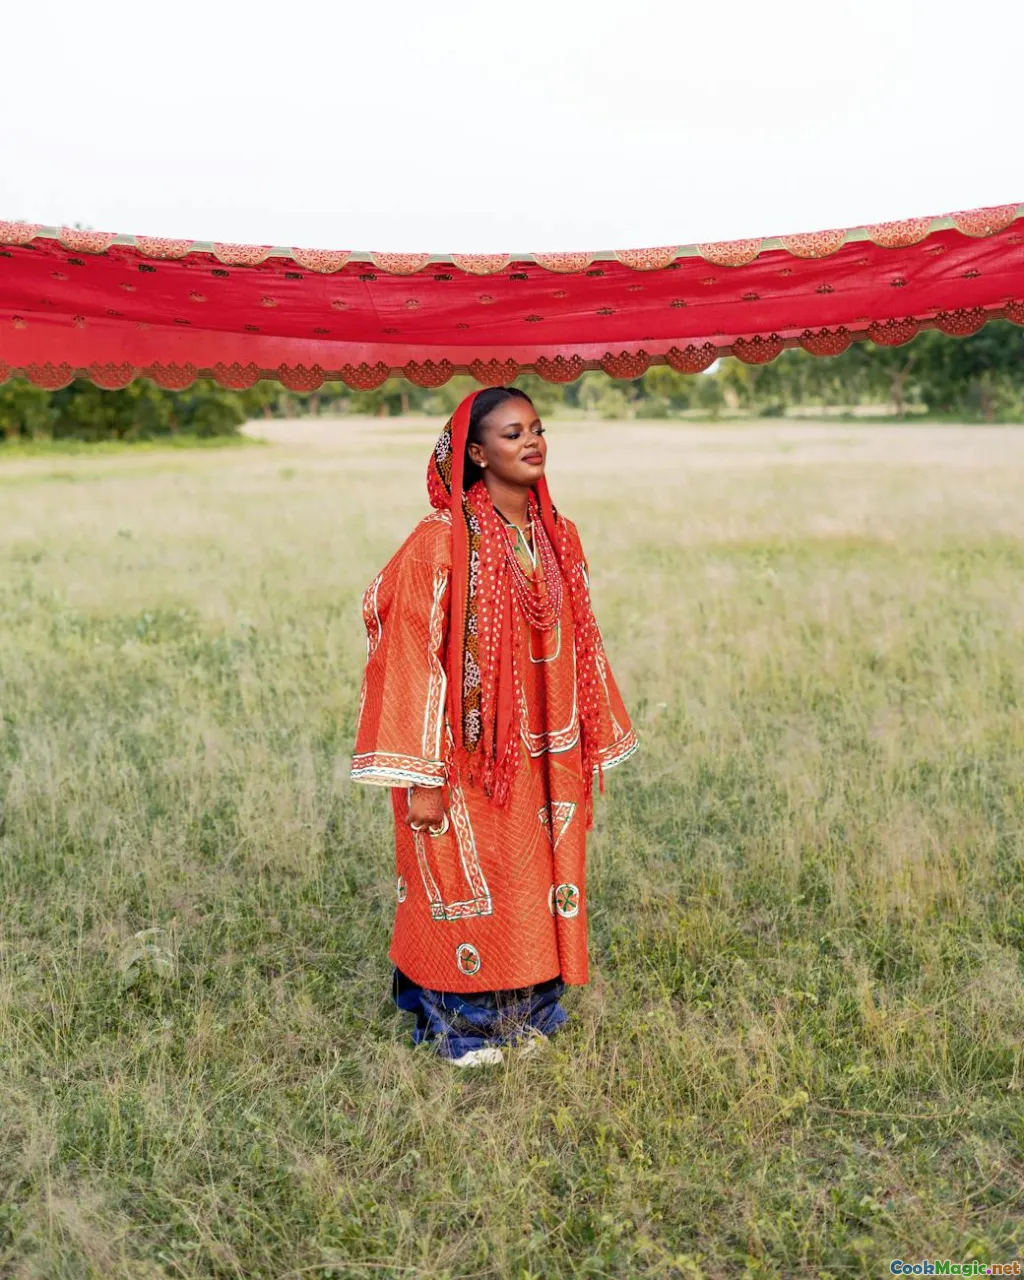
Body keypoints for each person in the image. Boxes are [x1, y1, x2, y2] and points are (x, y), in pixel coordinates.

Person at [350, 387, 638, 1066]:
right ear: (475, 454)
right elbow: (407, 657)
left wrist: (584, 732)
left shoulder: (558, 537)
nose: (532, 442)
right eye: (512, 435)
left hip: (546, 751)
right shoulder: (437, 544)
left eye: (537, 429)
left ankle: (530, 1010)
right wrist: (419, 773)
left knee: (534, 878)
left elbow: (580, 644)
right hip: (463, 755)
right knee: (468, 885)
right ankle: (462, 1028)